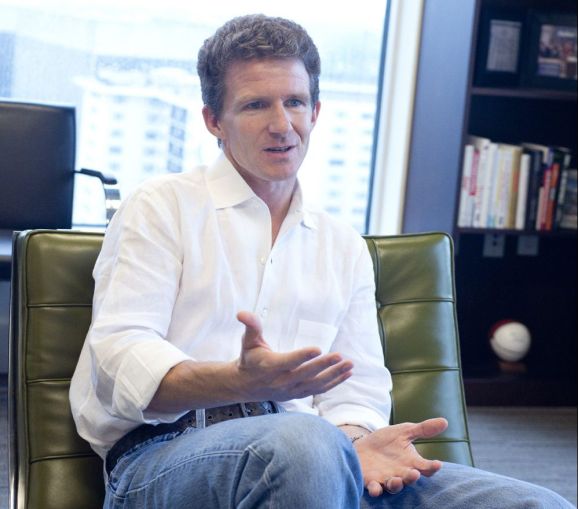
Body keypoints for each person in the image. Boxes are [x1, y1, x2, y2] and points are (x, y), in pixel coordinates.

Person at [70, 14, 574, 509]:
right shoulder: (160, 206)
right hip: (162, 458)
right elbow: (121, 360)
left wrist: (355, 441)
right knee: (303, 445)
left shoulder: (342, 244)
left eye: (294, 102)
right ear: (213, 121)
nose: (282, 125)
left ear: (315, 111)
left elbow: (357, 389)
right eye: (255, 105)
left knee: (534, 503)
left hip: (321, 459)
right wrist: (239, 382)